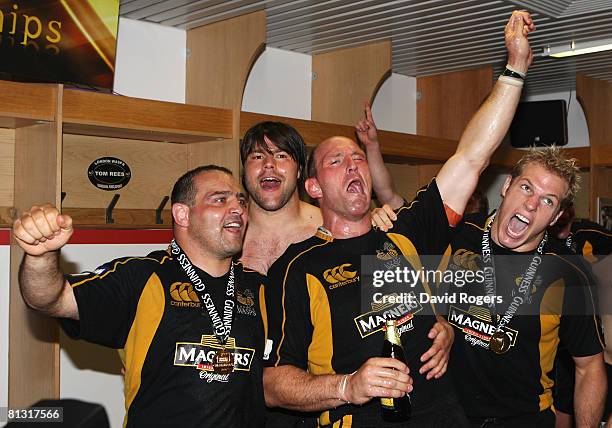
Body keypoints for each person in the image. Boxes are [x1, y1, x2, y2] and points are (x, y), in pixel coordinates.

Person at [263, 10, 536, 427]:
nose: (354, 165)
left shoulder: (405, 233)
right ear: (314, 187)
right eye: (337, 161)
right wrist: (346, 386)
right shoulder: (298, 268)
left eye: (358, 158)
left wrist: (514, 68)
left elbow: (470, 158)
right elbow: (274, 384)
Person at [13, 165, 267, 428]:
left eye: (241, 201)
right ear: (182, 214)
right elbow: (50, 299)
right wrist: (40, 256)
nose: (238, 209)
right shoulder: (141, 277)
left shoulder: (258, 288)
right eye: (220, 199)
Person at [443, 148, 606, 427]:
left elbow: (589, 367)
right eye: (526, 187)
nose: (531, 204)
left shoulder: (569, 274)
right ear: (507, 186)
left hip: (523, 418)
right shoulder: (457, 234)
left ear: (556, 217)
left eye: (548, 200)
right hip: (445, 412)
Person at [549, 204, 612, 428]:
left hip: (591, 332)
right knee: (562, 395)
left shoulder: (590, 234)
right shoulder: (542, 239)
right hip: (557, 333)